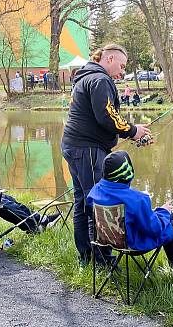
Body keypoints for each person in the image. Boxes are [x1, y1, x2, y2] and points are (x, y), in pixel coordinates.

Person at [61, 43, 150, 267]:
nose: (121, 72)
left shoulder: (86, 77)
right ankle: (101, 260)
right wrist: (133, 131)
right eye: (121, 66)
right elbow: (107, 116)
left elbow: (100, 119)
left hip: (76, 147)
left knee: (83, 202)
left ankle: (86, 257)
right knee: (97, 203)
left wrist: (131, 133)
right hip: (87, 150)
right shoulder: (100, 80)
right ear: (109, 59)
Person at [87, 151, 173, 273]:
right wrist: (164, 211)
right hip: (135, 244)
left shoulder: (95, 192)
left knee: (168, 217)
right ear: (128, 172)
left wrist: (162, 213)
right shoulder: (137, 199)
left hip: (109, 240)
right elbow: (154, 229)